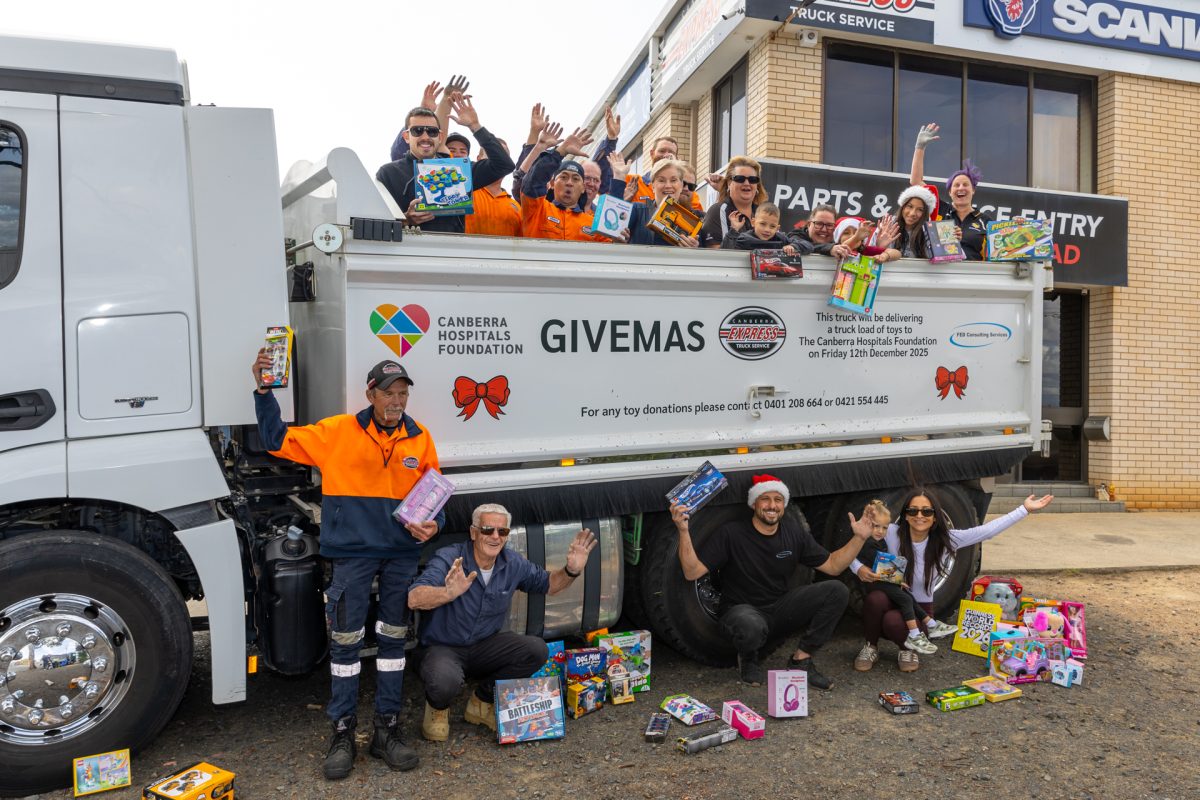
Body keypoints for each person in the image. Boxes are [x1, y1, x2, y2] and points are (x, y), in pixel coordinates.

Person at [249, 354, 442, 779]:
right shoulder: (337, 431)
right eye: (388, 393)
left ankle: (386, 731)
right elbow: (276, 439)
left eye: (403, 393)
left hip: (401, 554)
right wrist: (264, 392)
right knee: (345, 646)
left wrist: (435, 525)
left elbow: (434, 495)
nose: (397, 401)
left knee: (393, 645)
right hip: (353, 555)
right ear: (370, 394)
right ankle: (342, 733)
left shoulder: (419, 438)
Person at [408, 503, 597, 741]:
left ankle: (481, 701)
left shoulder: (512, 563)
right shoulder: (449, 558)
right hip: (442, 648)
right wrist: (448, 593)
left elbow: (550, 584)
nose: (495, 537)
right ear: (473, 532)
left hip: (484, 646)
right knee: (444, 681)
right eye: (488, 530)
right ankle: (437, 709)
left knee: (536, 650)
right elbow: (413, 598)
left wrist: (571, 570)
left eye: (502, 532)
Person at [670, 474, 875, 690]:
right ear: (754, 504)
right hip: (740, 611)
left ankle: (801, 660)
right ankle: (748, 658)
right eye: (765, 499)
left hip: (778, 608)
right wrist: (683, 530)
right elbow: (692, 572)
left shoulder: (794, 533)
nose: (772, 505)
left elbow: (833, 566)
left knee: (837, 591)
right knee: (750, 624)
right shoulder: (731, 533)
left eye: (778, 500)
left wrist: (859, 538)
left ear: (784, 505)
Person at [853, 487, 1053, 673]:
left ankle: (907, 648)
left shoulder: (947, 539)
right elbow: (853, 549)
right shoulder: (890, 533)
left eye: (926, 511)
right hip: (892, 597)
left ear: (935, 516)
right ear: (905, 515)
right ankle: (871, 646)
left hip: (920, 607)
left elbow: (986, 532)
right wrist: (859, 568)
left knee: (893, 621)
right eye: (913, 511)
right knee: (875, 599)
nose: (919, 516)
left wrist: (1023, 510)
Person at [376, 97, 514, 234]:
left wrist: (475, 126)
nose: (425, 137)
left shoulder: (459, 169)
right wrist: (406, 220)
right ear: (406, 136)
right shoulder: (388, 172)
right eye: (417, 131)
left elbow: (504, 165)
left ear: (440, 137)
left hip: (450, 251)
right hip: (408, 252)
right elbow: (373, 223)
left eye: (432, 132)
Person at [852, 500, 955, 662]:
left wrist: (895, 578)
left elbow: (884, 567)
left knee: (908, 597)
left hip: (884, 582)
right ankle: (915, 633)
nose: (880, 531)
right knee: (906, 598)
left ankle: (931, 624)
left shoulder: (880, 540)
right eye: (875, 526)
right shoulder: (868, 543)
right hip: (876, 584)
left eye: (884, 528)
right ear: (866, 524)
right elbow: (879, 566)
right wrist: (893, 578)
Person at [908, 123, 993, 260]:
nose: (961, 188)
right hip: (941, 274)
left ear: (973, 191)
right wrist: (920, 147)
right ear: (949, 192)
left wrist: (1018, 227)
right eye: (956, 185)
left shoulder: (985, 220)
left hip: (975, 276)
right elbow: (915, 181)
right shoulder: (939, 209)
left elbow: (999, 249)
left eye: (966, 185)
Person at [519, 122, 606, 242]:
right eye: (564, 177)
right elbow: (533, 181)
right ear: (553, 183)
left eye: (576, 179)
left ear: (582, 188)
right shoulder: (536, 210)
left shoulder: (593, 225)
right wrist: (561, 151)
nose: (569, 182)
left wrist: (619, 241)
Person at [604, 154, 699, 247]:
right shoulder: (638, 210)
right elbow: (611, 225)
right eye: (661, 180)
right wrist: (619, 178)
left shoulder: (693, 221)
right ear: (653, 186)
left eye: (673, 180)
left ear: (681, 185)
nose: (668, 185)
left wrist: (693, 251)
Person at [698, 156, 767, 248]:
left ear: (757, 185)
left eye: (752, 180)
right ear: (729, 183)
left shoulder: (763, 213)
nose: (747, 183)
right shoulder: (718, 211)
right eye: (740, 179)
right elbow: (717, 256)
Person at [627, 136, 705, 212]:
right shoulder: (633, 181)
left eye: (671, 152)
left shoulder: (685, 188)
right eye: (662, 151)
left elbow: (695, 217)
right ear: (652, 153)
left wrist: (676, 169)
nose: (666, 155)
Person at [464, 137, 522, 237]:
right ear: (479, 159)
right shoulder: (464, 193)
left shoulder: (516, 206)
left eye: (503, 156)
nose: (499, 161)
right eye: (493, 155)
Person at [720, 203, 799, 253]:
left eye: (772, 226)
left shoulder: (782, 239)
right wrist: (733, 230)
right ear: (753, 222)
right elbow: (725, 252)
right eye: (762, 224)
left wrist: (793, 247)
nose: (767, 229)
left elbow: (807, 245)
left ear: (777, 228)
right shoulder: (744, 238)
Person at [893, 184, 939, 259]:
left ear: (925, 214)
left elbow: (947, 259)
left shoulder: (930, 232)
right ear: (903, 207)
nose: (912, 213)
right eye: (910, 206)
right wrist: (881, 245)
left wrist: (952, 241)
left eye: (920, 210)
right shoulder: (888, 224)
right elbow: (872, 255)